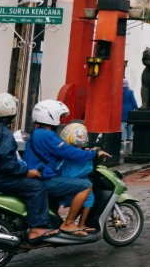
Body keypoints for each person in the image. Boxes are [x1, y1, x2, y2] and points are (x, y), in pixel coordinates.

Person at [0, 93, 58, 244]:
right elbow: (7, 164)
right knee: (37, 187)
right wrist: (26, 172)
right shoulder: (3, 133)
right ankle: (37, 228)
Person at [25, 100, 109, 237]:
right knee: (86, 185)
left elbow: (64, 150)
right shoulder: (48, 135)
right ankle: (69, 223)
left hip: (39, 176)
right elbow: (69, 152)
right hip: (46, 179)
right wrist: (94, 154)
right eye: (59, 116)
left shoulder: (37, 133)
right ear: (51, 116)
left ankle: (56, 223)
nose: (60, 119)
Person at [57, 123, 96, 233]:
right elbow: (87, 167)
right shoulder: (77, 153)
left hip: (63, 179)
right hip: (73, 182)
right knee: (89, 197)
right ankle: (78, 223)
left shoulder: (66, 150)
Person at [120, 79, 139, 152]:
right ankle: (128, 138)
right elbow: (133, 101)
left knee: (122, 124)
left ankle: (121, 139)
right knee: (130, 124)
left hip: (121, 110)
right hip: (129, 110)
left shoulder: (119, 91)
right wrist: (137, 109)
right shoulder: (130, 92)